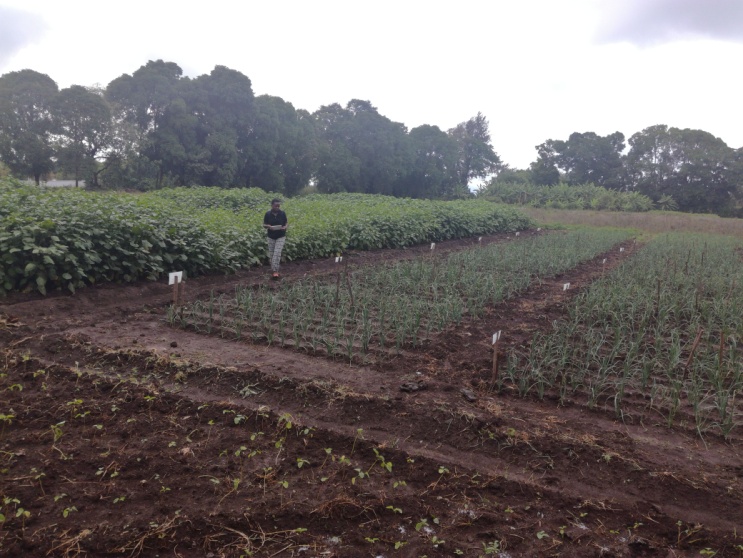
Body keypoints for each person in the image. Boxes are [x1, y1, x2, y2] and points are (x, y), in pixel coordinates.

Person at [263, 198, 288, 279]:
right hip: (271, 236)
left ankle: (275, 271)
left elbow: (286, 223)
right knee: (272, 254)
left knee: (277, 253)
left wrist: (285, 227)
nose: (277, 207)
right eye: (276, 205)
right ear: (272, 205)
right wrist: (269, 226)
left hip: (281, 236)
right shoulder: (267, 214)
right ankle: (274, 269)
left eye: (278, 205)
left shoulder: (282, 213)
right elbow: (264, 225)